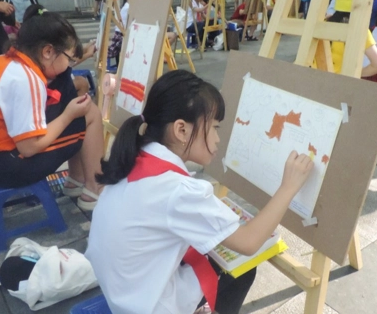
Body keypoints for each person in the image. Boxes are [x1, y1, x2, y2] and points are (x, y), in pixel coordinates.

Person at [85, 70, 314, 314]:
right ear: (181, 130)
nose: (217, 139)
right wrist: (288, 187)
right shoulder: (179, 190)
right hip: (148, 304)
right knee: (243, 269)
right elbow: (249, 242)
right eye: (214, 128)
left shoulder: (137, 155)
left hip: (122, 292)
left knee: (211, 254)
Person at [0, 5, 103, 210]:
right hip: (9, 165)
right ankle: (94, 189)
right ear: (47, 51)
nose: (68, 64)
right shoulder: (27, 79)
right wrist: (68, 115)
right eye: (68, 58)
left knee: (75, 108)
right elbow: (28, 148)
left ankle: (76, 180)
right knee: (89, 113)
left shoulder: (6, 62)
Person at [328, 0, 377, 77]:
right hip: (339, 83)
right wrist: (355, 74)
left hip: (313, 80)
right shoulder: (360, 30)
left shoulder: (322, 24)